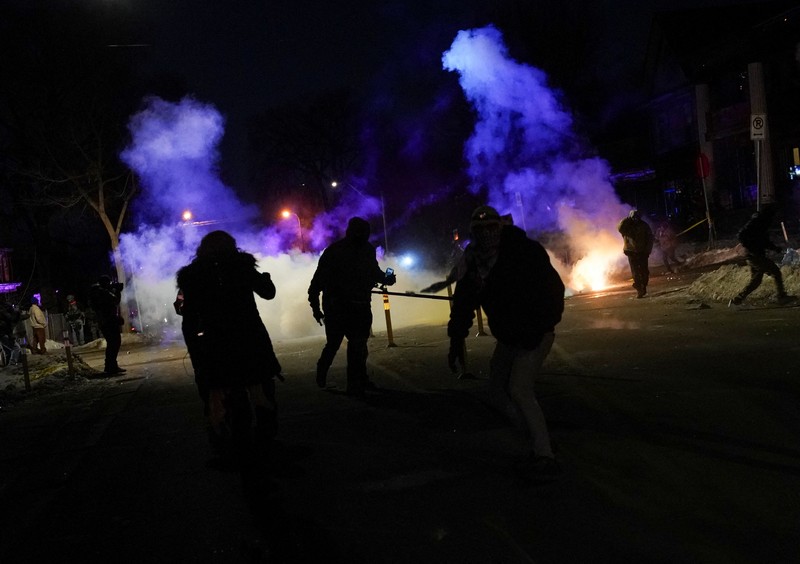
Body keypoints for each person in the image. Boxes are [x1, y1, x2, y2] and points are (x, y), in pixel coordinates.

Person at [447, 205, 565, 482]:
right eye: (479, 230)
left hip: (535, 333)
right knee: (497, 390)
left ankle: (544, 455)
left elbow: (552, 291)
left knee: (519, 389)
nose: (487, 234)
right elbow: (464, 301)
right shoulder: (475, 261)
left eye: (491, 228)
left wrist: (539, 326)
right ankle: (538, 441)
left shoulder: (524, 251)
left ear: (500, 227)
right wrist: (456, 339)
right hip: (509, 336)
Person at [176, 230, 283, 472]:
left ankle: (224, 449)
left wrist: (196, 355)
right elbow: (268, 293)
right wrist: (264, 277)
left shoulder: (192, 276)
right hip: (250, 342)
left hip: (214, 348)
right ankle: (266, 442)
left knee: (216, 398)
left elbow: (189, 319)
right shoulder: (242, 267)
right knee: (262, 393)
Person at [308, 216, 396, 396]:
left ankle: (359, 380)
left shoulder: (366, 250)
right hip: (338, 308)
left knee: (359, 347)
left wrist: (386, 279)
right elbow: (317, 283)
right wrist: (316, 308)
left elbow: (375, 273)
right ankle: (324, 371)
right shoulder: (334, 252)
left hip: (360, 306)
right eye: (362, 233)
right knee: (334, 344)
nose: (364, 237)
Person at [730, 204, 793, 306]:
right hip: (755, 255)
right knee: (776, 271)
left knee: (756, 280)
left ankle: (738, 299)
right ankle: (781, 296)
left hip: (754, 254)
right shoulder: (758, 222)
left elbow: (763, 241)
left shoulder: (761, 223)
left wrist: (774, 248)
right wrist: (751, 247)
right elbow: (742, 235)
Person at [88, 275, 125, 375]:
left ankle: (111, 365)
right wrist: (117, 291)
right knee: (114, 343)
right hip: (108, 321)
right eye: (108, 283)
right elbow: (115, 300)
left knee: (113, 343)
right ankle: (110, 367)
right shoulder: (101, 292)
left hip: (107, 321)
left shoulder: (98, 292)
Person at [618, 209, 654, 298]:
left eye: (637, 217)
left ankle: (643, 286)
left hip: (642, 252)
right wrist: (627, 219)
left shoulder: (644, 226)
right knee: (635, 272)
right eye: (633, 217)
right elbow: (620, 228)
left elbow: (650, 238)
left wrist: (648, 250)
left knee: (644, 271)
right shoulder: (627, 226)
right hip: (631, 252)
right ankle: (639, 289)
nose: (635, 219)